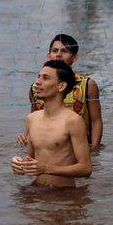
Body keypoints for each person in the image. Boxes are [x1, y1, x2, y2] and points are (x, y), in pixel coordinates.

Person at [11, 60, 91, 188]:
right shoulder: (32, 119)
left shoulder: (73, 121)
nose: (37, 82)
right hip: (36, 190)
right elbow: (31, 162)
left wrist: (46, 169)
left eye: (45, 78)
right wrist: (19, 165)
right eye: (38, 77)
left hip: (64, 196)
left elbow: (86, 168)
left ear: (61, 86)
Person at [20, 34, 103, 150]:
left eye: (64, 51)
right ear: (48, 55)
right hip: (50, 147)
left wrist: (94, 148)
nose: (58, 55)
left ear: (74, 57)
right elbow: (34, 119)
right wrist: (27, 137)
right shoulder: (36, 88)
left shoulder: (88, 85)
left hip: (80, 146)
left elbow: (96, 120)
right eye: (55, 51)